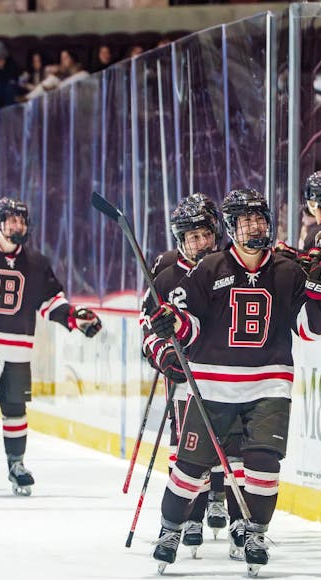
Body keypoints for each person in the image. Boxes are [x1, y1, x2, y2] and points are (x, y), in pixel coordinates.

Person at [144, 188, 321, 575]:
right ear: (231, 227)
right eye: (246, 220)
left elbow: (306, 329)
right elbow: (192, 325)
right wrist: (172, 324)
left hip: (270, 383)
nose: (255, 226)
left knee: (264, 462)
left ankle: (255, 532)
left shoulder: (287, 270)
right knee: (190, 465)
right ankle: (170, 528)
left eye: (260, 219)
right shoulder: (210, 268)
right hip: (214, 383)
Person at [0, 197, 102, 495]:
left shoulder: (36, 262)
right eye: (11, 220)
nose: (17, 225)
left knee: (15, 409)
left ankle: (16, 465)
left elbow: (50, 302)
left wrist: (75, 317)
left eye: (21, 220)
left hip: (18, 349)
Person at [140, 194, 232, 552]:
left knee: (227, 442)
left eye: (205, 235)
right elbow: (148, 324)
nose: (200, 243)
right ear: (180, 240)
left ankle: (217, 497)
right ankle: (189, 516)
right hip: (185, 375)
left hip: (225, 373)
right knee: (187, 447)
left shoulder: (232, 267)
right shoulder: (166, 273)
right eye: (192, 237)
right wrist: (162, 354)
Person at [0, 40, 21, 107]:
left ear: (4, 59)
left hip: (9, 93)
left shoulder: (12, 65)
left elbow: (16, 79)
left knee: (9, 88)